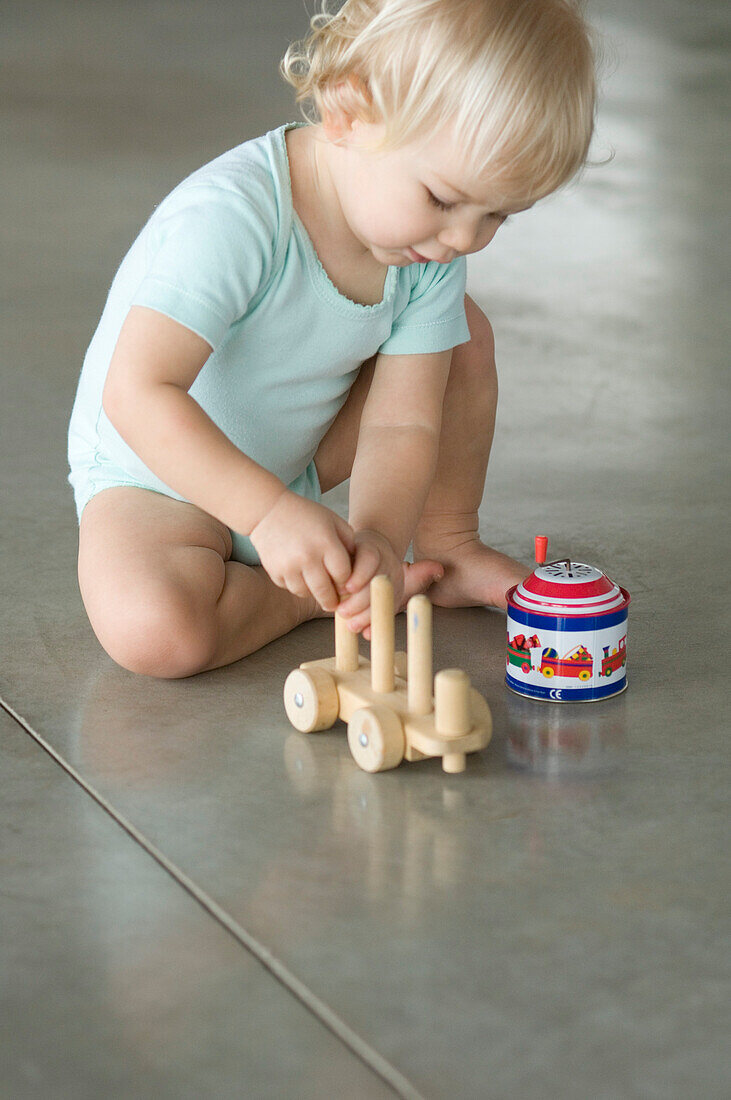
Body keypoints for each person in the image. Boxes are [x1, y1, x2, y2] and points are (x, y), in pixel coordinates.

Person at [68, 0, 597, 678]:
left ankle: (443, 547)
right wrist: (264, 513)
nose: (465, 239)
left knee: (463, 339)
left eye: (497, 215)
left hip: (299, 458)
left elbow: (401, 423)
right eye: (442, 199)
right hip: (157, 478)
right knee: (155, 633)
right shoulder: (232, 219)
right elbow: (137, 393)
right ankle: (306, 602)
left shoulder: (427, 247)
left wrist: (377, 536)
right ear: (348, 113)